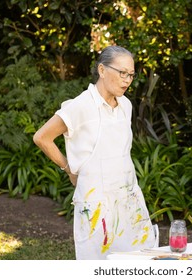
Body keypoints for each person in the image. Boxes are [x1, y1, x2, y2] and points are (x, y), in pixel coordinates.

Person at [33, 45, 158, 260]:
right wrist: (68, 169)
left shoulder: (126, 105)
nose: (127, 80)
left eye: (131, 75)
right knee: (97, 265)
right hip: (96, 204)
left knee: (137, 261)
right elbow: (42, 137)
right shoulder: (80, 106)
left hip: (128, 199)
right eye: (122, 73)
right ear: (102, 70)